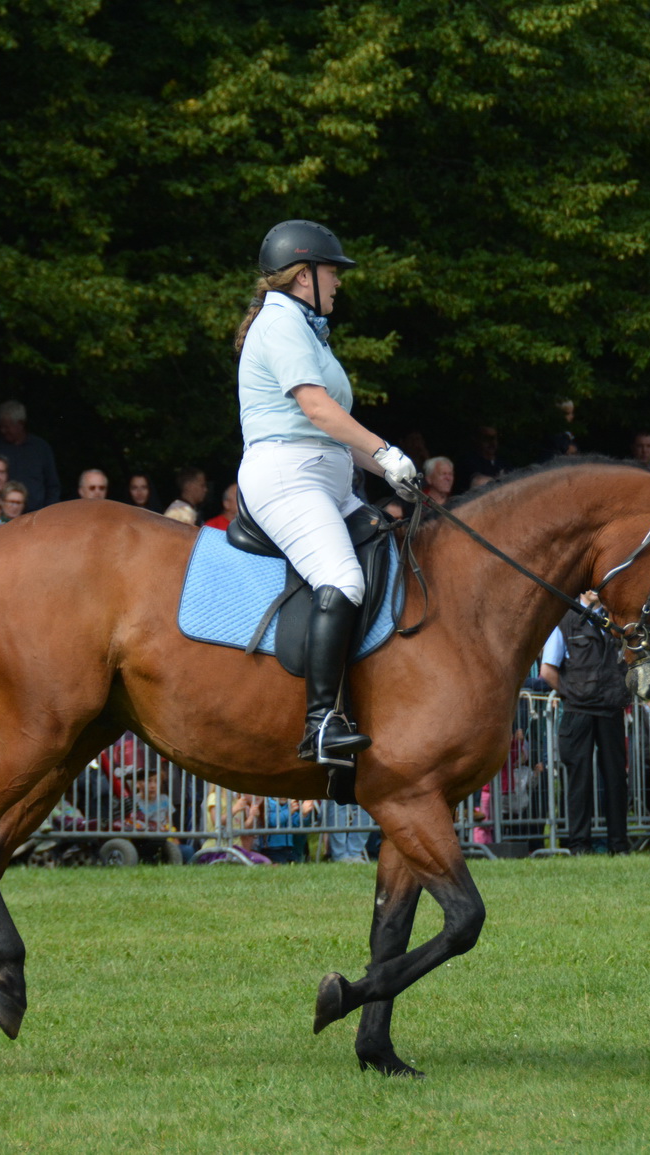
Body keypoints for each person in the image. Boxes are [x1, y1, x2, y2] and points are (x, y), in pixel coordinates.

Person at [231, 219, 419, 770]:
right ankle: (319, 724)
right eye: (333, 272)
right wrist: (384, 452)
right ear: (303, 275)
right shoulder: (281, 324)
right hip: (286, 473)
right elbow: (316, 409)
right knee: (343, 578)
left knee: (389, 556)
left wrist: (386, 471)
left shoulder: (305, 329)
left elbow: (333, 427)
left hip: (327, 473)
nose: (338, 282)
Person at [540, 590, 631, 854]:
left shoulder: (616, 620)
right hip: (578, 711)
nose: (594, 589)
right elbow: (547, 670)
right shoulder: (564, 620)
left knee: (616, 779)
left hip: (610, 709)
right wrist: (572, 694)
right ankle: (579, 844)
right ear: (581, 589)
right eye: (589, 585)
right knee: (579, 779)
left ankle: (619, 844)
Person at [0, 400, 61, 510]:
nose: (3, 430)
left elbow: (52, 485)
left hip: (36, 514)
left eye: (7, 426)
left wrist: (48, 511)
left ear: (20, 424)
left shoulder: (40, 447)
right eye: (1, 426)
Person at [453, 425, 507, 497]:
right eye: (487, 438)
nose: (492, 442)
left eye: (494, 438)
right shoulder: (467, 462)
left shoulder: (504, 462)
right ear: (477, 439)